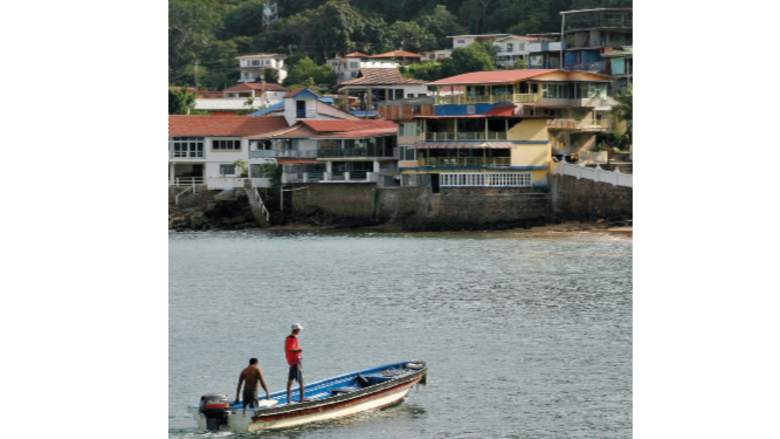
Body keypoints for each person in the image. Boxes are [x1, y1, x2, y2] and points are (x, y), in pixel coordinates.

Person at [286, 323, 305, 405]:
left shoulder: (287, 338)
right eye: (299, 329)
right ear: (296, 329)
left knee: (290, 382)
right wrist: (299, 349)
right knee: (301, 381)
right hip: (296, 362)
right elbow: (291, 349)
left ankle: (288, 400)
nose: (299, 331)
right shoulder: (293, 338)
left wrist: (298, 353)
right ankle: (301, 399)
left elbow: (288, 350)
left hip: (290, 362)